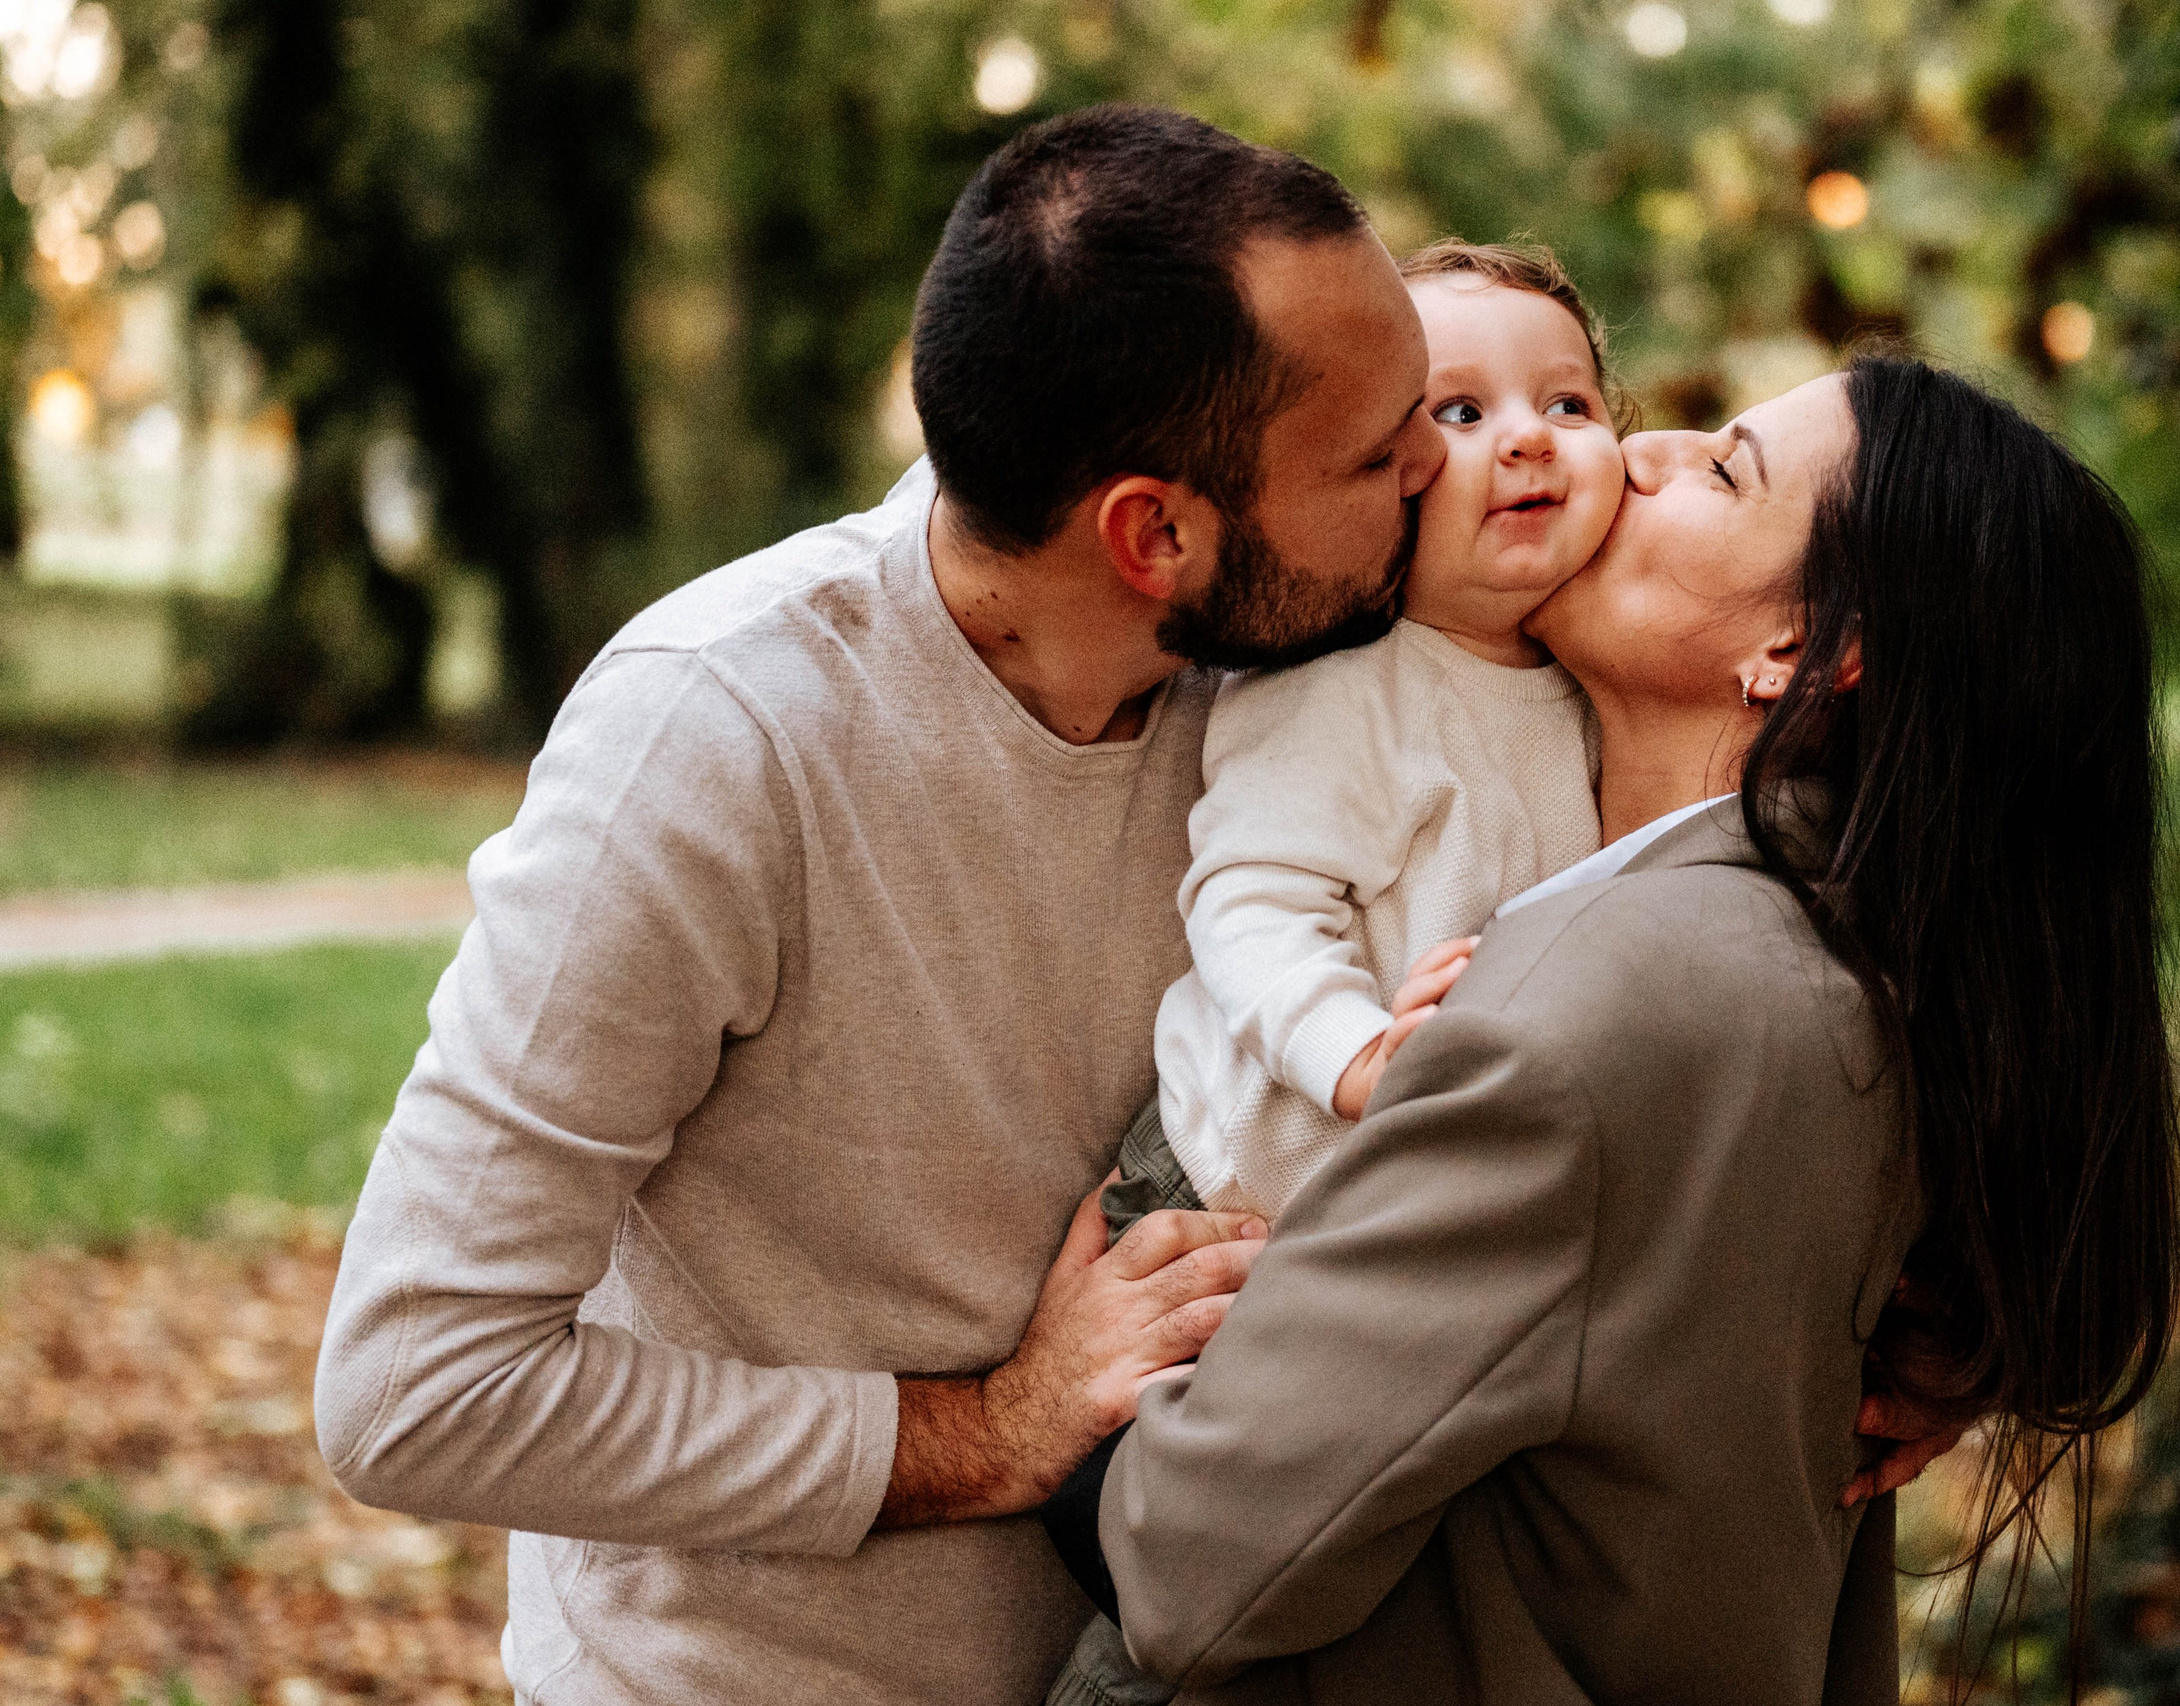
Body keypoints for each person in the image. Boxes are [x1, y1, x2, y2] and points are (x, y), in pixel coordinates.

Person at [310, 106, 1447, 1703]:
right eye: (1378, 447)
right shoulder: (714, 740)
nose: (1437, 466)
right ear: (1155, 532)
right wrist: (990, 1427)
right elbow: (415, 1387)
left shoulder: (1313, 685)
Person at [1085, 356, 2180, 1703]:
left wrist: (1065, 1407)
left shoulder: (1604, 1001)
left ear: (1805, 652)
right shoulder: (1872, 995)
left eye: (1724, 470)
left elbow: (1194, 1561)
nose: (1638, 448)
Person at [1135, 239, 1626, 1229]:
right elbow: (1248, 903)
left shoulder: (1598, 683)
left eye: (1568, 403)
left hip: (1392, 1206)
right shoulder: (1342, 681)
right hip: (1225, 1174)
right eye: (1461, 412)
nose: (1529, 437)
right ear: (1385, 467)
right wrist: (1360, 1055)